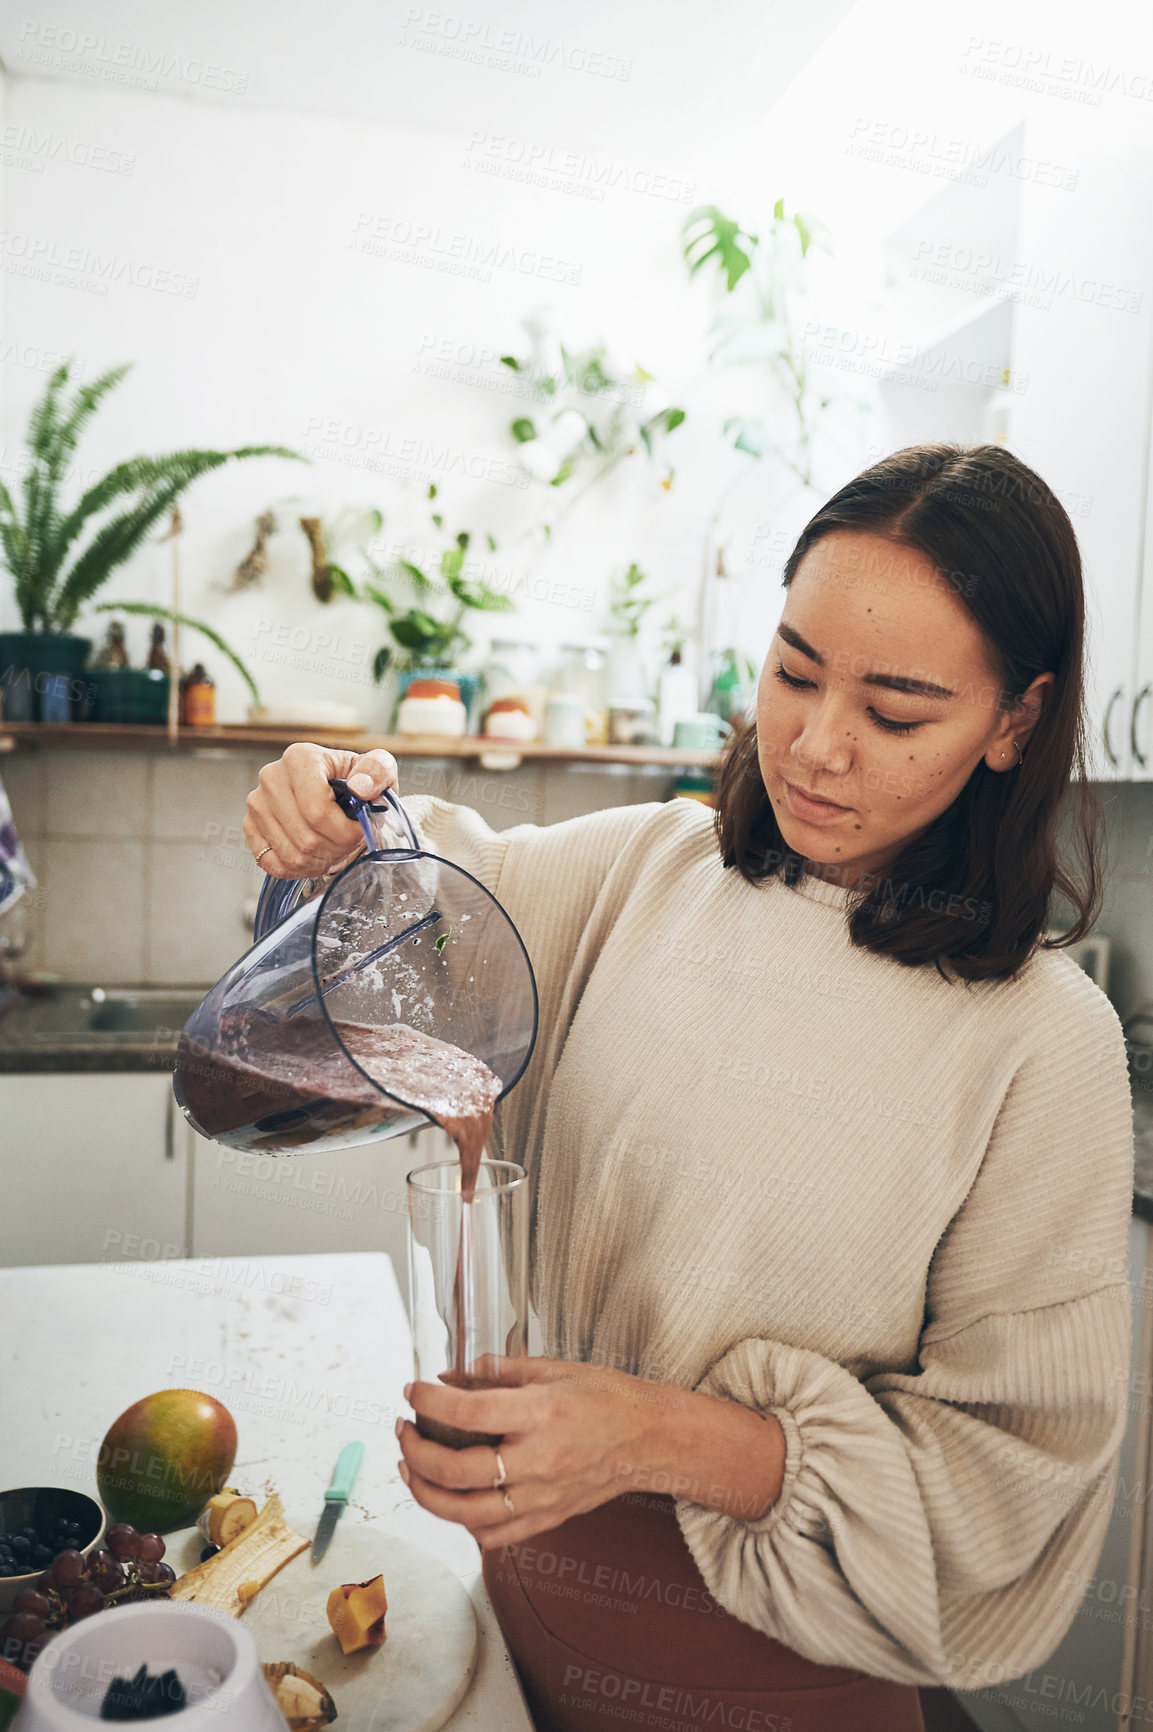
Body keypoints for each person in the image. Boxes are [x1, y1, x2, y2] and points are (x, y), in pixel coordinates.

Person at [243, 444, 1135, 1732]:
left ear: (1015, 722)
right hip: (508, 1608)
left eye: (894, 715)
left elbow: (997, 1495)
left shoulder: (1044, 1048)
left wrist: (654, 1436)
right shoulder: (648, 871)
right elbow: (422, 911)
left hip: (774, 1680)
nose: (818, 747)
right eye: (793, 673)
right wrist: (335, 822)